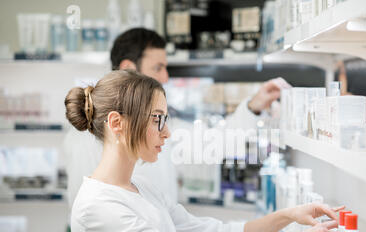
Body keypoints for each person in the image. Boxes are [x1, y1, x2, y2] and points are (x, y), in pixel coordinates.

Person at [65, 70, 340, 232]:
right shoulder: (96, 208)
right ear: (117, 123)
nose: (167, 132)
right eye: (157, 119)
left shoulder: (141, 186)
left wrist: (287, 216)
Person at [64, 28, 289, 208]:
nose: (165, 76)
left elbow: (213, 144)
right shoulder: (87, 137)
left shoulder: (160, 126)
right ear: (129, 68)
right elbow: (86, 211)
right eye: (158, 67)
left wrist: (254, 106)